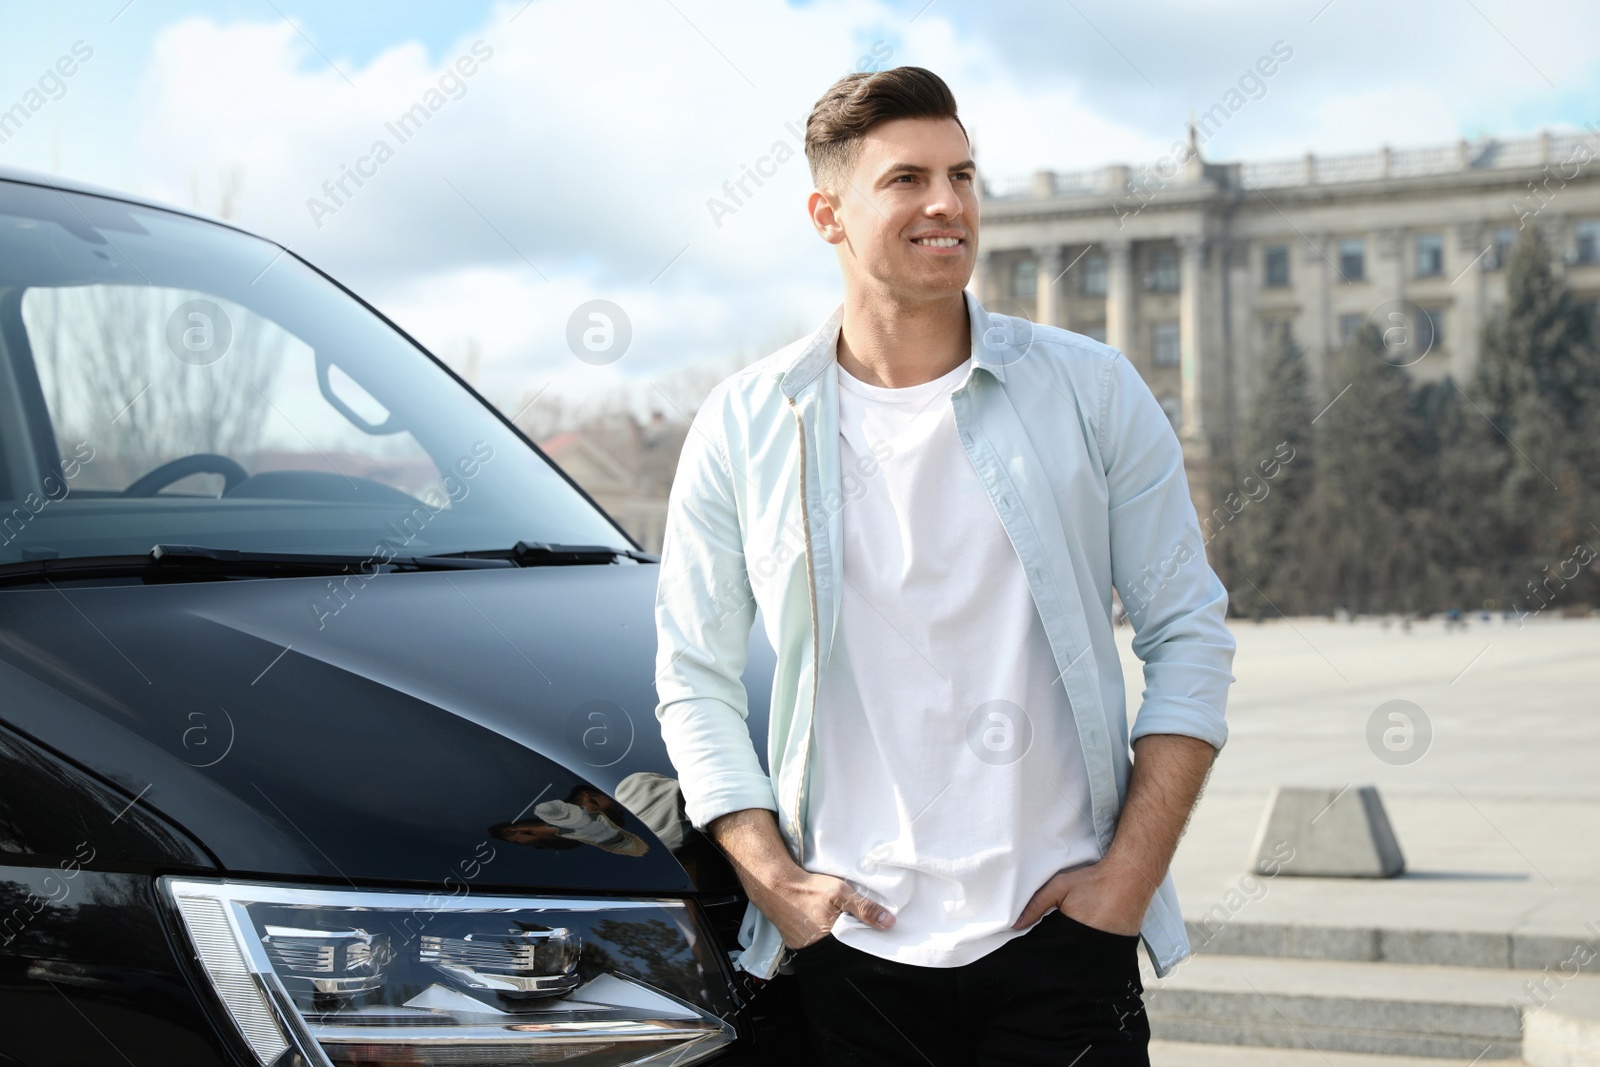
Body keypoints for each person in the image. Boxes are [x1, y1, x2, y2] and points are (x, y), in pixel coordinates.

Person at [653, 65, 1236, 1065]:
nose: (946, 203)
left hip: (1061, 945)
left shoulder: (1093, 392)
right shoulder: (746, 423)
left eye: (962, 174)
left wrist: (1123, 886)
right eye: (907, 178)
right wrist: (773, 879)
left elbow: (1190, 634)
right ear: (825, 212)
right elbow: (692, 676)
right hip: (844, 954)